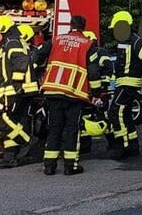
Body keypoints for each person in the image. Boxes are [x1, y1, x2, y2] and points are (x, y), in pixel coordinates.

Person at [40, 15, 101, 175]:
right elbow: (94, 71)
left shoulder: (56, 40)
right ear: (84, 27)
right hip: (74, 94)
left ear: (70, 25)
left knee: (54, 129)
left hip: (53, 91)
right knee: (72, 130)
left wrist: (38, 76)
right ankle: (70, 166)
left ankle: (49, 166)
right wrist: (96, 92)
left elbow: (38, 56)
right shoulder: (88, 44)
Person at [0, 15, 39, 167]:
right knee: (12, 122)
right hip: (14, 91)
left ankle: (27, 141)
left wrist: (16, 84)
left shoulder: (12, 43)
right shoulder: (11, 43)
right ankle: (10, 156)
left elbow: (20, 62)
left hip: (14, 91)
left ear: (3, 31)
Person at [108, 11, 142, 159]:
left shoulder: (136, 41)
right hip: (123, 83)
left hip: (129, 84)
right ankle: (133, 145)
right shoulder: (124, 41)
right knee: (125, 114)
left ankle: (122, 146)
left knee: (115, 112)